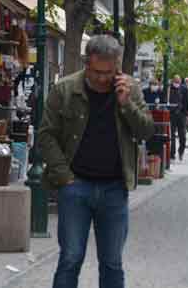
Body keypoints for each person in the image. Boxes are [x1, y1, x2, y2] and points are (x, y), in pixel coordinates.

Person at [38, 35, 154, 288]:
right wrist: (64, 177)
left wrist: (127, 104)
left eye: (109, 72)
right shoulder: (66, 89)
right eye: (96, 72)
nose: (102, 78)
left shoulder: (130, 89)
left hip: (114, 188)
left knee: (112, 263)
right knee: (70, 258)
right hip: (75, 186)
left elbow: (146, 131)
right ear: (86, 64)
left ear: (117, 66)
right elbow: (46, 136)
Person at [168, 75, 188, 161]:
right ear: (173, 81)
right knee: (172, 135)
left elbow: (186, 102)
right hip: (172, 114)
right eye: (175, 81)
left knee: (182, 135)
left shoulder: (184, 89)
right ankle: (172, 153)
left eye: (178, 82)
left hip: (181, 114)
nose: (177, 83)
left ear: (180, 81)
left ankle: (181, 151)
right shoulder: (169, 89)